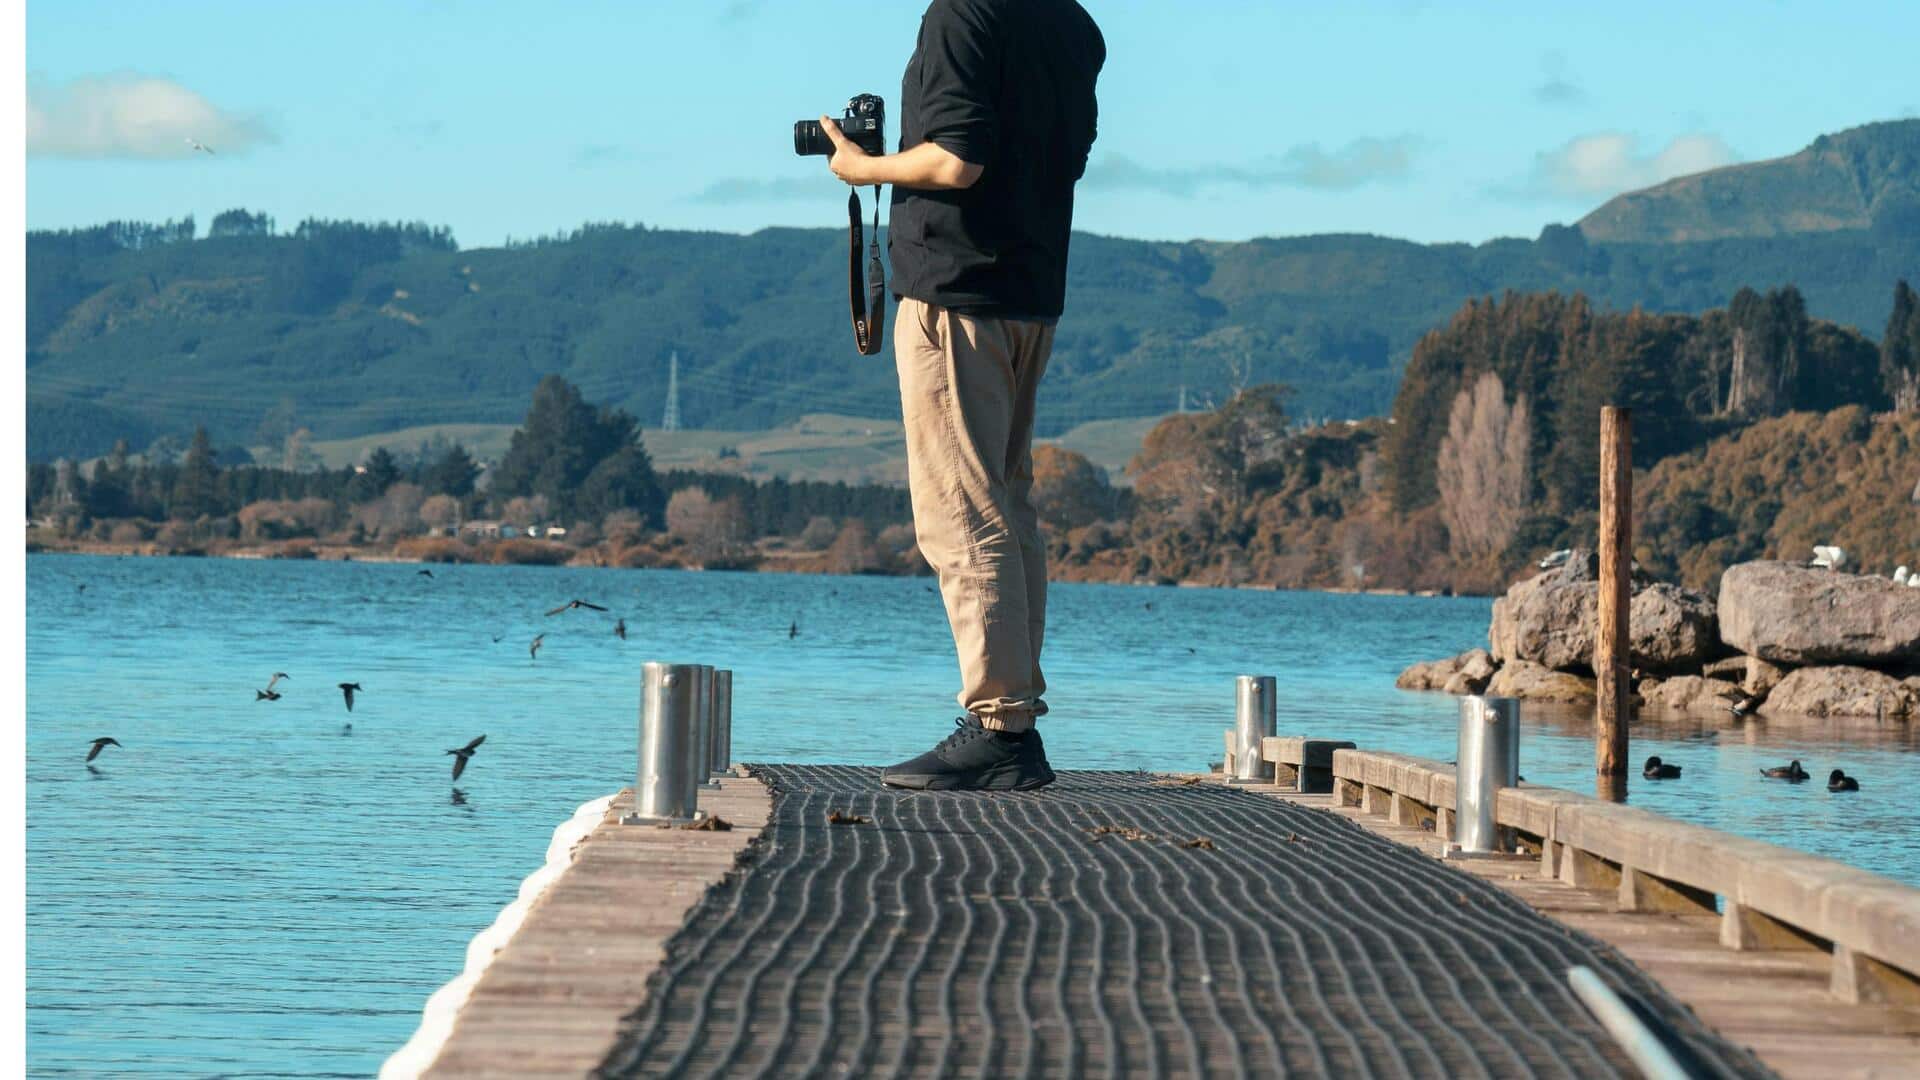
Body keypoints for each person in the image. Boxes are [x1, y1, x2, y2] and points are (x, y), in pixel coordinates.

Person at [816, 0, 1104, 791]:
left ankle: (1002, 728)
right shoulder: (1073, 24)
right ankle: (1014, 721)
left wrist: (862, 168)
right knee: (1009, 507)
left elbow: (955, 163)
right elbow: (1061, 159)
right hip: (1031, 295)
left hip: (958, 296)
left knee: (965, 514)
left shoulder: (962, 14)